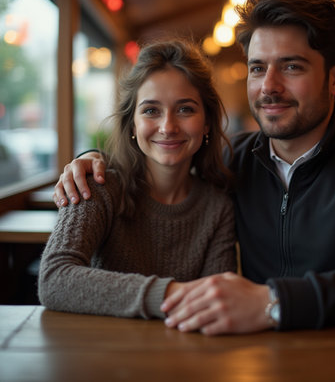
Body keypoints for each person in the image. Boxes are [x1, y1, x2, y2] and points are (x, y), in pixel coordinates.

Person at [53, 0, 335, 335]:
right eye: (257, 68)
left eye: (292, 67)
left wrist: (274, 303)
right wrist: (93, 159)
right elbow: (164, 148)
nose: (269, 87)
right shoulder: (233, 160)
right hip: (260, 359)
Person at [39, 39, 237, 320]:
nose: (168, 127)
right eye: (151, 110)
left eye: (185, 109)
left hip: (184, 356)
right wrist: (168, 296)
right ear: (132, 124)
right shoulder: (97, 186)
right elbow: (54, 279)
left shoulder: (218, 207)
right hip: (100, 353)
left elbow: (216, 305)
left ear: (206, 123)